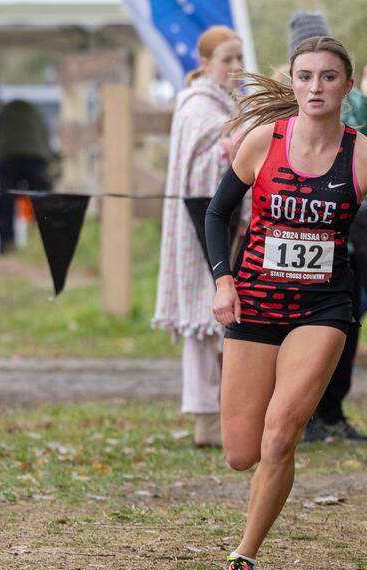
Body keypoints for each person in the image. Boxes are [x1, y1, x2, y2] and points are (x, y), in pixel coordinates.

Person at [205, 36, 367, 570]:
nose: (315, 87)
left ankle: (244, 557)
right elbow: (216, 214)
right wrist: (222, 280)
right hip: (254, 302)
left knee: (282, 434)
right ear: (294, 84)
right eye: (305, 77)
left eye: (328, 77)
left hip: (323, 307)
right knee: (241, 452)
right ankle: (259, 497)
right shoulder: (262, 142)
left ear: (348, 85)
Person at [282, 11, 367, 442]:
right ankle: (296, 417)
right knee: (288, 333)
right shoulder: (281, 102)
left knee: (343, 327)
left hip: (346, 233)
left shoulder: (348, 94)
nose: (318, 84)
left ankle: (332, 412)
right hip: (286, 240)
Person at [152, 26, 244, 449]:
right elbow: (198, 172)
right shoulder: (197, 106)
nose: (236, 67)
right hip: (200, 225)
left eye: (240, 58)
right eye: (227, 59)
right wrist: (230, 149)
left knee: (232, 319)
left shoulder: (230, 104)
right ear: (205, 63)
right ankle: (206, 418)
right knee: (204, 324)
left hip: (232, 225)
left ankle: (233, 412)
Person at [0, 98, 53, 252]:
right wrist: (47, 161)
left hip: (8, 158)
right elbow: (46, 137)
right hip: (35, 159)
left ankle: (7, 244)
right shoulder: (36, 114)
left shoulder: (2, 115)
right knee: (39, 201)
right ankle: (42, 243)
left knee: (6, 202)